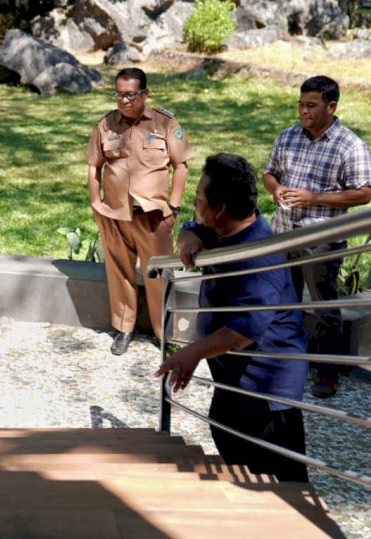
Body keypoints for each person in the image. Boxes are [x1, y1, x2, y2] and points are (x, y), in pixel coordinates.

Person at [156, 153, 309, 482]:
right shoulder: (228, 227)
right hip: (234, 379)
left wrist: (192, 352)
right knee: (228, 439)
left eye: (198, 200)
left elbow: (244, 331)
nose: (194, 204)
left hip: (266, 392)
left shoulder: (260, 258)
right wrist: (188, 235)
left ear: (221, 208)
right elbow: (195, 227)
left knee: (279, 483)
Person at [262, 75, 371, 398]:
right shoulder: (287, 137)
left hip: (321, 238)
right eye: (300, 104)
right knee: (283, 301)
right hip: (283, 232)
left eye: (311, 105)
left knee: (324, 306)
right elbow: (269, 174)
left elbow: (364, 194)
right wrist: (276, 188)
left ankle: (327, 372)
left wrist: (313, 198)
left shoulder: (349, 145)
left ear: (331, 106)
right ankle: (284, 361)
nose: (303, 111)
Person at [86, 67, 194, 355]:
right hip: (115, 214)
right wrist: (96, 204)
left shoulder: (166, 123)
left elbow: (180, 165)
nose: (124, 101)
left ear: (145, 93)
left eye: (130, 94)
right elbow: (94, 166)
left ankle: (164, 332)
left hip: (154, 215)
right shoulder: (105, 125)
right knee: (119, 272)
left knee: (158, 273)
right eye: (119, 94)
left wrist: (174, 205)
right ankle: (124, 328)